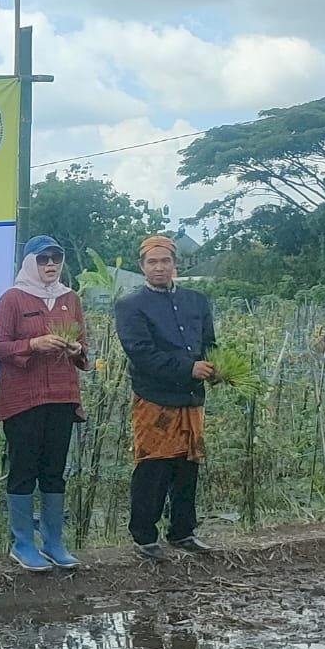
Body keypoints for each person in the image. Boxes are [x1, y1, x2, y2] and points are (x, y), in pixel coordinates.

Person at [114, 234, 217, 561]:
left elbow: (210, 344)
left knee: (188, 465)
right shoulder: (131, 305)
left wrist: (220, 368)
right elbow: (141, 353)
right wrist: (188, 368)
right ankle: (144, 536)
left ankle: (182, 531)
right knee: (153, 466)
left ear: (176, 264)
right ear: (142, 267)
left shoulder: (196, 301)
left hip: (190, 397)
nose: (159, 267)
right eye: (152, 262)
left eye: (165, 261)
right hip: (154, 397)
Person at [0, 235, 88, 573]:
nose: (50, 265)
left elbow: (83, 347)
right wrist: (33, 343)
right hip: (24, 399)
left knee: (54, 471)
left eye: (56, 259)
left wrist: (75, 350)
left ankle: (54, 542)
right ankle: (22, 543)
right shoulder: (13, 299)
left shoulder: (70, 298)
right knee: (23, 470)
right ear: (30, 262)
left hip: (62, 397)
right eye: (43, 259)